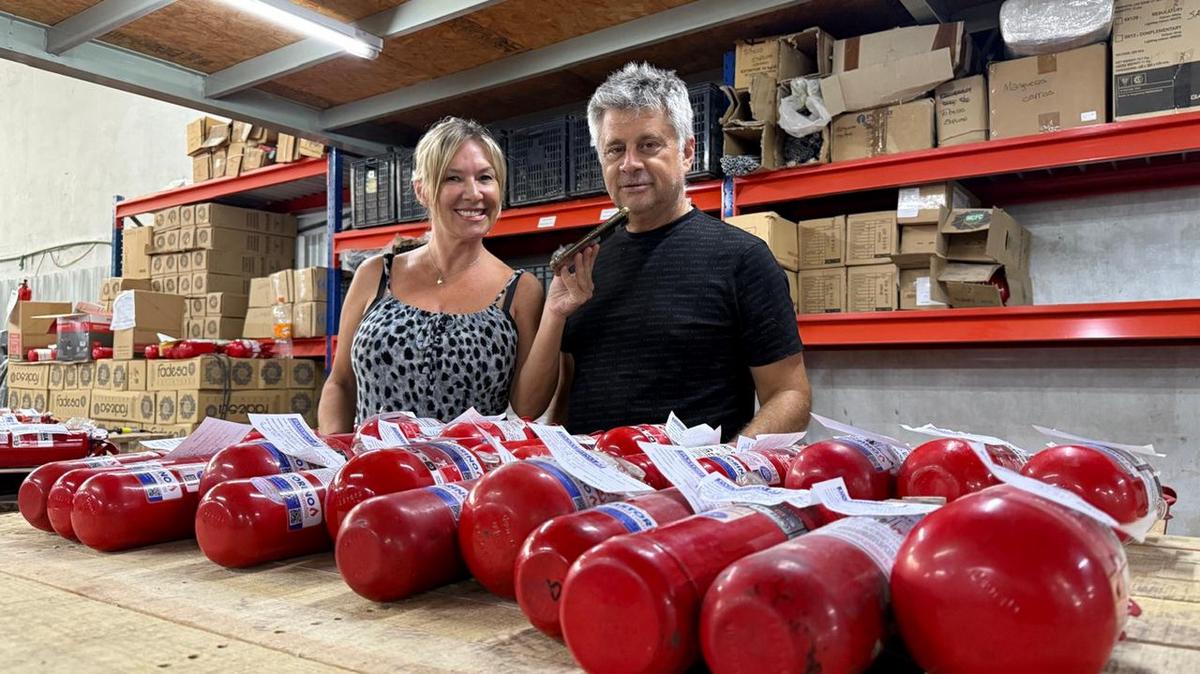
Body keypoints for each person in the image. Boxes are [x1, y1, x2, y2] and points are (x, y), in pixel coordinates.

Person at [540, 62, 813, 439]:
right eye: (615, 150)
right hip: (596, 489)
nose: (629, 164)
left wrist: (726, 465)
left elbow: (789, 394)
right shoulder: (588, 264)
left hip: (690, 492)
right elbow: (568, 391)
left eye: (648, 145)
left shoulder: (742, 259)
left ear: (686, 152)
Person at [318, 117, 559, 432]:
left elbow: (528, 406)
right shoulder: (376, 275)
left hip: (465, 475)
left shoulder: (520, 289)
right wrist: (336, 449)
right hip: (375, 472)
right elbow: (340, 383)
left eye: (485, 177)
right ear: (422, 190)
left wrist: (557, 312)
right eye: (453, 178)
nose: (474, 193)